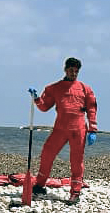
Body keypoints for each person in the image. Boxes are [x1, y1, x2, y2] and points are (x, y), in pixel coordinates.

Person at [28, 57, 98, 205]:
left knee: (76, 161)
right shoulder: (54, 88)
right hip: (60, 128)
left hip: (78, 129)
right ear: (65, 69)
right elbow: (44, 107)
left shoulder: (85, 89)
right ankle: (39, 185)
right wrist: (36, 99)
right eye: (71, 70)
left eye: (76, 71)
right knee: (47, 153)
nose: (74, 73)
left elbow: (92, 108)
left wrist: (93, 129)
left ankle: (75, 192)